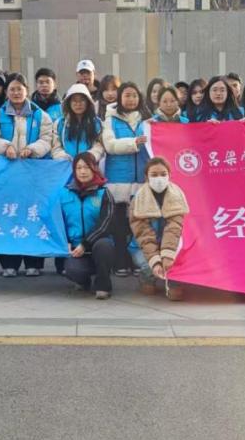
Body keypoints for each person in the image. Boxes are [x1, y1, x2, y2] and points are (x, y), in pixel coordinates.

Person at [0, 73, 54, 277]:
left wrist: (32, 149)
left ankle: (34, 262)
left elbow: (47, 139)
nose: (16, 93)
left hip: (33, 175)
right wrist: (5, 146)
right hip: (6, 176)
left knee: (32, 216)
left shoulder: (41, 115)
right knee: (8, 216)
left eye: (20, 89)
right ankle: (9, 263)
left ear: (27, 90)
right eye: (12, 89)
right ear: (7, 92)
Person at [102, 81, 151, 275]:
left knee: (139, 223)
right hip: (118, 179)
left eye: (134, 95)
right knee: (119, 225)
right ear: (120, 97)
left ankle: (138, 259)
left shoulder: (147, 120)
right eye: (127, 95)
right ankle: (120, 261)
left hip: (141, 179)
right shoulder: (110, 119)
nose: (131, 99)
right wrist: (134, 143)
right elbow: (110, 145)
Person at [129, 157, 189, 300]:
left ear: (169, 175)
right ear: (147, 177)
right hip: (143, 247)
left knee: (176, 293)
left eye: (163, 174)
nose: (159, 178)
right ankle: (146, 278)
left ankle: (174, 281)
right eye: (154, 175)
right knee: (147, 266)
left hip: (173, 245)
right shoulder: (138, 199)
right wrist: (155, 260)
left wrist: (167, 256)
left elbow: (174, 228)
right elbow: (143, 234)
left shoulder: (177, 196)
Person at [59, 152, 117, 299]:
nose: (83, 171)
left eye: (87, 167)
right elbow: (59, 221)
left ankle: (103, 285)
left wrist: (85, 244)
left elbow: (105, 224)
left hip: (97, 244)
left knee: (104, 246)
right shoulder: (65, 193)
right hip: (76, 247)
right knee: (72, 269)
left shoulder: (104, 193)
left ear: (94, 169)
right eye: (79, 168)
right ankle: (83, 282)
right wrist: (66, 241)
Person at [52, 84, 104, 160]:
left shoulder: (97, 123)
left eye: (82, 100)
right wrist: (64, 157)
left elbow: (99, 146)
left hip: (89, 164)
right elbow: (56, 147)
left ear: (88, 102)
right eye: (74, 100)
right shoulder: (60, 124)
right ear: (69, 103)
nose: (78, 104)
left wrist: (88, 157)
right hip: (66, 164)